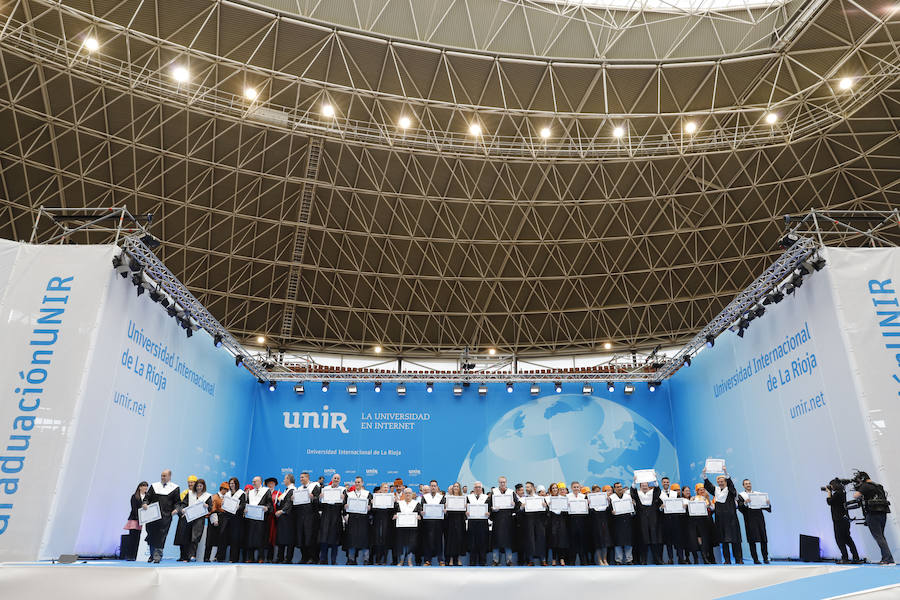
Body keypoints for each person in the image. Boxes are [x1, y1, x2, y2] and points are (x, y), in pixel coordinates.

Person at [853, 471, 894, 565]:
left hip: (873, 513)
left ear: (862, 479)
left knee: (879, 537)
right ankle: (888, 558)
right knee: (881, 537)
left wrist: (859, 488)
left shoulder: (865, 486)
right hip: (883, 513)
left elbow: (855, 496)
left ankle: (887, 559)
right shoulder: (879, 486)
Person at [703, 467, 743, 564]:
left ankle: (739, 559)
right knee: (724, 541)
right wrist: (704, 475)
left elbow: (731, 485)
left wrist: (725, 472)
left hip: (731, 519)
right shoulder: (716, 491)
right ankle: (727, 560)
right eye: (719, 481)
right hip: (720, 520)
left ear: (725, 481)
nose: (720, 483)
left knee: (735, 540)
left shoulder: (730, 491)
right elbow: (708, 486)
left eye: (722, 481)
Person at [143, 469, 181, 563]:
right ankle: (152, 555)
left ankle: (157, 556)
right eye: (162, 475)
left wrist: (176, 509)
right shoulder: (154, 486)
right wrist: (145, 503)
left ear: (169, 476)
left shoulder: (175, 488)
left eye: (164, 476)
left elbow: (177, 502)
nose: (162, 477)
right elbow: (147, 498)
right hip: (152, 516)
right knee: (151, 535)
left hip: (166, 516)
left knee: (161, 536)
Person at [175, 478, 211, 561]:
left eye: (200, 486)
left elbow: (210, 508)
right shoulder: (190, 493)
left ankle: (192, 555)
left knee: (194, 538)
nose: (199, 487)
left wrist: (207, 506)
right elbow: (183, 503)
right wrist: (183, 509)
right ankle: (185, 556)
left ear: (203, 486)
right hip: (188, 518)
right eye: (197, 486)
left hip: (199, 520)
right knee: (186, 537)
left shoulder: (207, 496)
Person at [825, 478, 861, 564]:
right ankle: (856, 558)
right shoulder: (843, 493)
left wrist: (829, 492)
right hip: (845, 519)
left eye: (831, 485)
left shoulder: (837, 494)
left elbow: (829, 502)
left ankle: (845, 558)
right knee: (848, 539)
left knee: (839, 539)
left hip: (839, 520)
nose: (831, 487)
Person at [737, 478, 771, 564]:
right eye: (746, 484)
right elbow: (740, 507)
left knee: (763, 538)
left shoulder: (758, 494)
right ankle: (755, 559)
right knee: (752, 540)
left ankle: (765, 558)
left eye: (749, 483)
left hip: (759, 518)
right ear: (743, 486)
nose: (748, 485)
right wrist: (745, 503)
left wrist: (767, 503)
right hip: (749, 519)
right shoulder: (741, 495)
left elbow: (766, 508)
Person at [631, 476, 663, 564]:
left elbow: (658, 490)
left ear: (648, 486)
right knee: (643, 541)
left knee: (654, 540)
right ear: (640, 486)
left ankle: (657, 560)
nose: (644, 487)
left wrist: (655, 480)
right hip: (642, 520)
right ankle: (643, 560)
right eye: (642, 485)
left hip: (653, 520)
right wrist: (634, 482)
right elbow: (632, 492)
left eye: (646, 485)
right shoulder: (638, 495)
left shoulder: (652, 494)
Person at [489, 476, 518, 566]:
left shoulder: (511, 492)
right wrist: (493, 509)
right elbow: (488, 505)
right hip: (497, 519)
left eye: (504, 482)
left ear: (506, 482)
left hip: (508, 520)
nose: (502, 484)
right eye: (501, 482)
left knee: (508, 541)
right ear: (498, 483)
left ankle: (509, 561)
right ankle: (495, 560)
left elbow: (517, 505)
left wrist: (514, 504)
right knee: (496, 541)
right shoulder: (494, 492)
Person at [243, 476, 273, 563]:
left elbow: (270, 504)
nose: (253, 483)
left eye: (255, 481)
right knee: (250, 538)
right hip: (251, 519)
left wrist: (267, 508)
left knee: (260, 538)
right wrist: (245, 509)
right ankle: (250, 557)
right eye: (252, 482)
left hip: (261, 519)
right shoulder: (250, 492)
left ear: (260, 482)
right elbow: (247, 503)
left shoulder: (266, 491)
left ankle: (261, 557)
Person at [318, 473, 345, 565]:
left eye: (338, 478)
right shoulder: (325, 489)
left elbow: (345, 506)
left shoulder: (343, 490)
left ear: (339, 480)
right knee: (324, 538)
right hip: (326, 515)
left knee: (335, 539)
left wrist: (344, 499)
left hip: (336, 515)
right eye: (335, 478)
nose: (336, 479)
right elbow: (320, 504)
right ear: (332, 479)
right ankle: (323, 559)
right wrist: (320, 498)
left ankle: (334, 560)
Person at [294, 471, 320, 563]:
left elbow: (319, 500)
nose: (301, 479)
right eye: (300, 477)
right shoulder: (298, 488)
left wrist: (313, 498)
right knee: (302, 537)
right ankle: (304, 557)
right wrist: (294, 499)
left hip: (311, 516)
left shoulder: (314, 487)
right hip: (301, 516)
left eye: (303, 477)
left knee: (311, 537)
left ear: (308, 478)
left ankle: (313, 557)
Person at [519, 481, 547, 566]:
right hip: (528, 522)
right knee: (529, 541)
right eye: (526, 487)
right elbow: (519, 512)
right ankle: (530, 560)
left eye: (528, 487)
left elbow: (546, 512)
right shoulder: (523, 499)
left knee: (541, 540)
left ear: (533, 487)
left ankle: (543, 560)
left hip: (539, 522)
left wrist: (545, 506)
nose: (526, 489)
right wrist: (521, 507)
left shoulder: (540, 498)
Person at [345, 476, 371, 565]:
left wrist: (369, 507)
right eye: (356, 482)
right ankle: (351, 559)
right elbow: (344, 506)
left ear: (362, 483)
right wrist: (345, 507)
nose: (357, 484)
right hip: (353, 519)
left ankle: (366, 559)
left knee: (365, 540)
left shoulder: (368, 494)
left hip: (363, 520)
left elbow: (371, 505)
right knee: (351, 540)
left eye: (359, 482)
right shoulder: (349, 494)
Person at [394, 487, 422, 566]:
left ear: (412, 494)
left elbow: (420, 513)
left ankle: (410, 560)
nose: (408, 495)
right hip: (401, 528)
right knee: (401, 544)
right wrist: (394, 516)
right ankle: (401, 560)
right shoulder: (399, 503)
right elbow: (394, 513)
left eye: (409, 493)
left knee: (411, 544)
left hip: (412, 528)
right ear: (404, 494)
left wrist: (419, 516)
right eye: (406, 493)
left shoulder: (416, 504)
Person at [420, 479, 445, 566]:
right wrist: (421, 512)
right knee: (428, 541)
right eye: (432, 486)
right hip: (428, 523)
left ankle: (440, 560)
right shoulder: (425, 498)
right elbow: (421, 509)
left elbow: (444, 508)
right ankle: (427, 560)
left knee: (439, 541)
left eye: (435, 486)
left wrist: (444, 510)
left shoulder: (441, 497)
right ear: (430, 487)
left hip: (438, 523)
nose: (433, 487)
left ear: (437, 487)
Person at [221, 477, 246, 563]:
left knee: (235, 539)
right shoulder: (227, 494)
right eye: (230, 483)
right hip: (227, 517)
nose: (232, 485)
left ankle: (233, 558)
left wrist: (238, 507)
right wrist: (223, 503)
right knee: (224, 537)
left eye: (233, 483)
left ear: (236, 484)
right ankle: (221, 557)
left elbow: (243, 505)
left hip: (236, 519)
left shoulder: (241, 493)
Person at [122, 481, 148, 561]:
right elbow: (134, 508)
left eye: (146, 486)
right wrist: (139, 518)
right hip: (135, 520)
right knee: (133, 538)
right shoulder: (134, 496)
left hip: (144, 521)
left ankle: (138, 555)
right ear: (140, 487)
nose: (145, 487)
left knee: (140, 539)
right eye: (144, 486)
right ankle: (130, 556)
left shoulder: (148, 497)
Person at [692, 483, 717, 564]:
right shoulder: (694, 498)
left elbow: (712, 508)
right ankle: (705, 557)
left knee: (710, 539)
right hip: (699, 521)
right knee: (703, 540)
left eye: (703, 489)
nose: (702, 491)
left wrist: (708, 499)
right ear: (697, 491)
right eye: (700, 490)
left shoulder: (707, 498)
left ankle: (712, 558)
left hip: (708, 520)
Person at [610, 481, 634, 565]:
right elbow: (609, 510)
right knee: (618, 541)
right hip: (617, 521)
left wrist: (633, 505)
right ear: (614, 489)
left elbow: (633, 509)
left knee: (628, 541)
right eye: (617, 487)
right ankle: (618, 560)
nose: (619, 488)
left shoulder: (628, 496)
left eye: (620, 486)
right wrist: (611, 512)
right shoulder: (611, 498)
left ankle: (629, 559)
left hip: (627, 520)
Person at [566, 481, 590, 565]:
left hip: (582, 521)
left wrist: (588, 505)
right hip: (571, 521)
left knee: (582, 541)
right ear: (571, 488)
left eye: (577, 487)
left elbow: (587, 509)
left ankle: (583, 561)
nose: (576, 488)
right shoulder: (567, 497)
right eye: (574, 487)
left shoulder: (584, 497)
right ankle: (571, 562)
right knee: (572, 542)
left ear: (580, 488)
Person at [274, 474, 296, 563]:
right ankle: (280, 557)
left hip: (289, 517)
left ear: (288, 479)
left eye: (285, 478)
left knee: (289, 538)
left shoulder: (293, 490)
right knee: (281, 537)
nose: (283, 480)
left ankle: (288, 558)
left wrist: (282, 511)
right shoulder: (286, 491)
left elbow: (289, 503)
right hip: (283, 518)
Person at [467, 481, 490, 566]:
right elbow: (465, 508)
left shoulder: (486, 498)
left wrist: (489, 513)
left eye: (479, 487)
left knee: (483, 542)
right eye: (476, 487)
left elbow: (490, 509)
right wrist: (466, 512)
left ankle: (482, 561)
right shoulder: (469, 497)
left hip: (483, 522)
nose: (477, 489)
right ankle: (472, 561)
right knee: (472, 542)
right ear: (473, 488)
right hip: (472, 522)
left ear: (482, 488)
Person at [372, 482, 395, 565]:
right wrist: (373, 504)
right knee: (377, 540)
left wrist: (393, 503)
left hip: (387, 522)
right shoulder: (376, 497)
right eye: (384, 487)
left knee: (385, 540)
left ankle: (384, 559)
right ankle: (378, 559)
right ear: (381, 489)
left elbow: (392, 511)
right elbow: (372, 511)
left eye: (387, 488)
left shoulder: (391, 498)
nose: (385, 489)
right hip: (377, 521)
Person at [658, 477, 680, 564]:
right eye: (664, 482)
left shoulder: (675, 494)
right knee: (668, 541)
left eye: (667, 482)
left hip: (675, 519)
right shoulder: (659, 494)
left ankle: (680, 558)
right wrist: (661, 508)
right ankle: (670, 558)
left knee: (678, 540)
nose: (666, 483)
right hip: (665, 520)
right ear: (662, 483)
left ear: (669, 483)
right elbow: (658, 507)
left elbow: (679, 504)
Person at [204, 482, 228, 562]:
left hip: (223, 519)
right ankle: (206, 557)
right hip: (214, 517)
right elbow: (212, 509)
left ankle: (218, 557)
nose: (226, 491)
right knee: (210, 539)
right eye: (225, 489)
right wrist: (214, 519)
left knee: (221, 539)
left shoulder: (227, 498)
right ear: (222, 489)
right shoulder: (214, 497)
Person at [444, 482, 467, 566]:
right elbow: (445, 512)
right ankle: (450, 559)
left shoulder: (463, 498)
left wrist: (466, 507)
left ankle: (458, 559)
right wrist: (445, 507)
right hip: (450, 521)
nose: (456, 488)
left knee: (459, 540)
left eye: (457, 486)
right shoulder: (448, 498)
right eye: (454, 486)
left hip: (460, 521)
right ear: (452, 488)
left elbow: (466, 512)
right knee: (451, 540)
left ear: (459, 488)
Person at [547, 482, 569, 566]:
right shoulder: (548, 499)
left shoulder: (563, 498)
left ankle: (562, 559)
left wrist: (567, 505)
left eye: (556, 488)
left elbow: (566, 511)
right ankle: (554, 559)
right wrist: (547, 505)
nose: (555, 489)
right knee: (553, 541)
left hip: (561, 520)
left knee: (561, 540)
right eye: (553, 488)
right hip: (552, 521)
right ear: (550, 490)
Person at [589, 485, 612, 566]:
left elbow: (609, 511)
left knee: (605, 542)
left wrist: (609, 501)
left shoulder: (605, 501)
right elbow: (589, 513)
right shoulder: (590, 500)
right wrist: (588, 504)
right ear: (592, 492)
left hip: (604, 524)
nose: (597, 492)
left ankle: (605, 559)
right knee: (598, 543)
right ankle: (599, 560)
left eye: (598, 491)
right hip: (595, 524)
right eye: (595, 491)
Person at [263, 477, 280, 562]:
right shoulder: (263, 493)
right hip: (264, 518)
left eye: (272, 483)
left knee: (272, 538)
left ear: (275, 484)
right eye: (269, 483)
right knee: (263, 537)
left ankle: (270, 557)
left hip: (273, 519)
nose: (271, 485)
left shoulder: (279, 494)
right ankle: (261, 557)